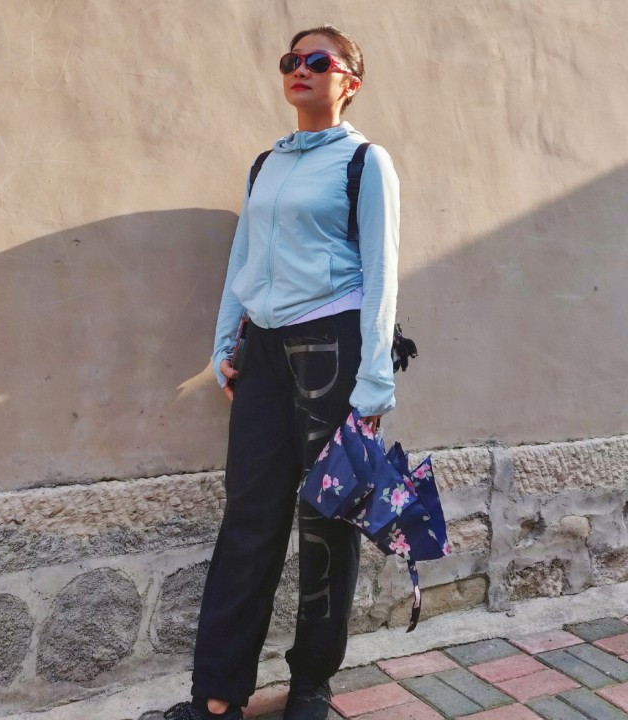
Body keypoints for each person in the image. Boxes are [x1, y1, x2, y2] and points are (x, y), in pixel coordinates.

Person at [164, 24, 400, 720]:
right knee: (249, 518)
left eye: (318, 60)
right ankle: (217, 697)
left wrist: (375, 383)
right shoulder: (266, 163)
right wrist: (223, 345)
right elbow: (243, 258)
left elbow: (382, 273)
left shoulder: (365, 163)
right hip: (264, 350)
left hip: (332, 348)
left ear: (349, 81)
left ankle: (311, 687)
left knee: (327, 520)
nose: (301, 68)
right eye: (292, 60)